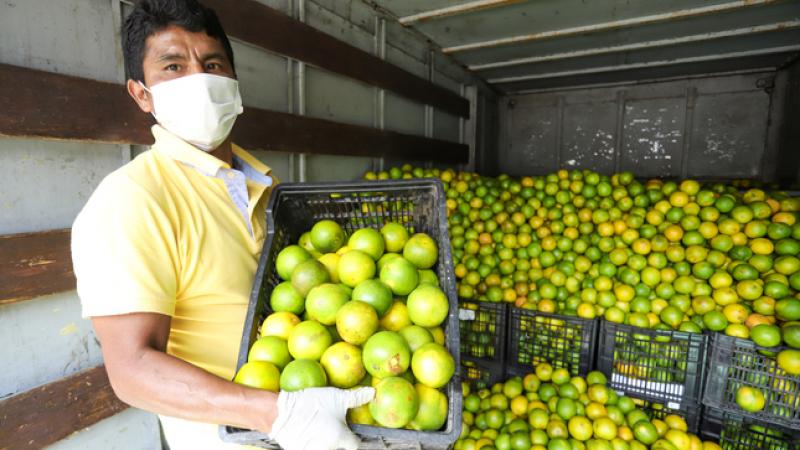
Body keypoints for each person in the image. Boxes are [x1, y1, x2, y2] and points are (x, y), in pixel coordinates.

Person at [70, 1, 373, 449]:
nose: (198, 78)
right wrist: (277, 414)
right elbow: (131, 370)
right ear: (141, 94)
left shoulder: (266, 187)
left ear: (232, 82)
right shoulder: (131, 200)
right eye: (173, 66)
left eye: (211, 64)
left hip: (316, 412)